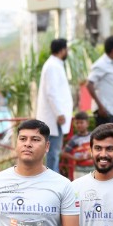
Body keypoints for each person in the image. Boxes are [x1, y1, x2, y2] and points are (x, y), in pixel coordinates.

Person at [35, 39, 73, 172]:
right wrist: (59, 113)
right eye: (66, 49)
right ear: (62, 50)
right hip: (55, 117)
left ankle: (52, 183)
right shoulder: (52, 66)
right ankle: (52, 185)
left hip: (56, 116)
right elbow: (52, 92)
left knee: (54, 153)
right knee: (53, 154)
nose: (67, 52)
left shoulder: (55, 65)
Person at [86, 36, 113, 127]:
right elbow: (89, 84)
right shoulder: (101, 64)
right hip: (104, 112)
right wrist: (100, 107)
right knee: (105, 140)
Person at [64, 111, 95, 178]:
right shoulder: (74, 139)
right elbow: (65, 153)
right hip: (79, 171)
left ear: (87, 123)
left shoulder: (93, 136)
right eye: (77, 123)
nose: (79, 125)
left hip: (93, 169)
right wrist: (75, 158)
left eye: (81, 123)